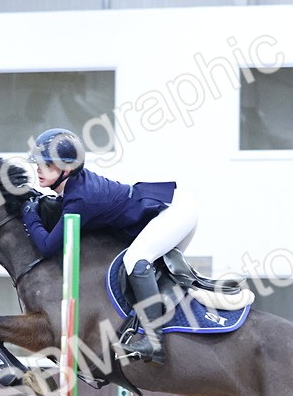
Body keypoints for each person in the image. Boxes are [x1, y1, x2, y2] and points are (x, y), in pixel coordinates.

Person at [19, 128, 198, 365]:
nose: (39, 169)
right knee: (146, 271)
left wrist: (29, 216)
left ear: (67, 169)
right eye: (39, 164)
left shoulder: (80, 198)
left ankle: (154, 341)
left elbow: (46, 246)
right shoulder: (74, 187)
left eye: (47, 165)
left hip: (176, 211)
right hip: (169, 205)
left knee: (136, 262)